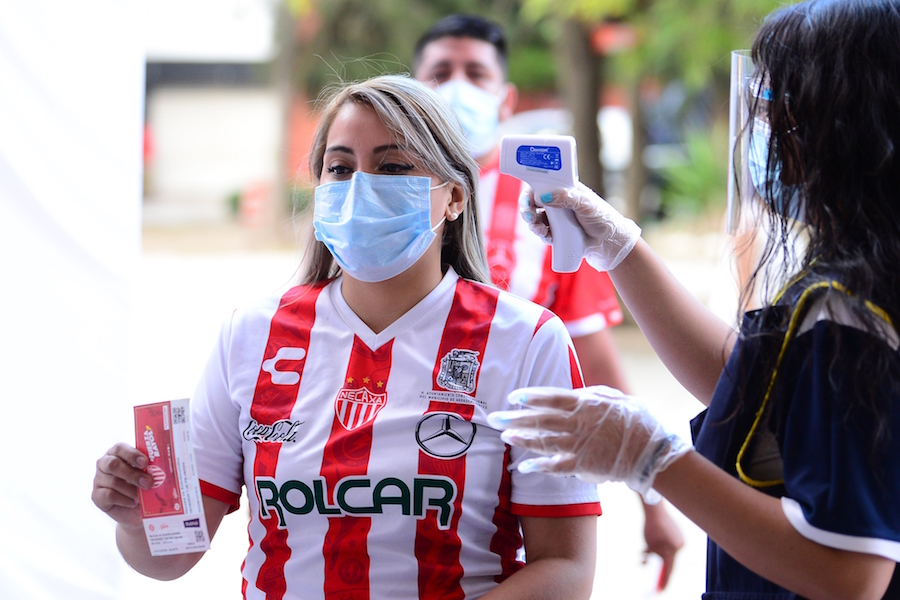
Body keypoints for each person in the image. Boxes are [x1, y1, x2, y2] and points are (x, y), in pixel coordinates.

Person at [92, 74, 601, 599]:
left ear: (455, 196)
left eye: (394, 166)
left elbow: (566, 568)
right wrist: (134, 518)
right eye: (340, 168)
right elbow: (168, 556)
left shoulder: (528, 341)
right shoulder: (251, 334)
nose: (361, 186)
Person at [489, 0, 900, 597]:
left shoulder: (850, 312)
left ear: (845, 124)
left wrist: (653, 459)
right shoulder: (865, 281)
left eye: (782, 106)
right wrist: (620, 248)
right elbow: (754, 394)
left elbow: (848, 574)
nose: (767, 131)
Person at [412, 13, 684, 589]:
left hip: (511, 476)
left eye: (475, 73)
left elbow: (593, 354)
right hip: (396, 475)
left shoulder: (549, 208)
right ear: (412, 91)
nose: (458, 86)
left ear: (505, 98)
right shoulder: (380, 200)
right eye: (439, 72)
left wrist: (653, 502)